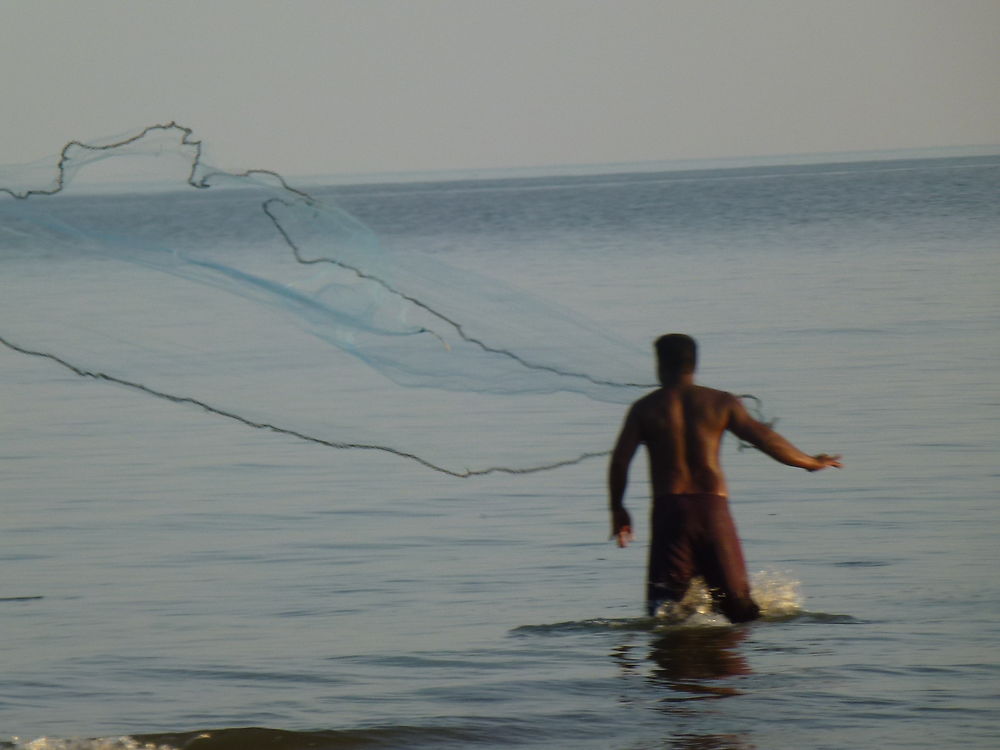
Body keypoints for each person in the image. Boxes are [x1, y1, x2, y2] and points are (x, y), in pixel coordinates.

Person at [608, 334, 841, 622]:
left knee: (665, 614)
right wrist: (810, 463)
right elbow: (766, 440)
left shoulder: (644, 409)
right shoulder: (721, 402)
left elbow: (620, 462)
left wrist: (617, 508)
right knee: (740, 609)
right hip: (712, 510)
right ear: (694, 364)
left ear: (659, 364)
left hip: (670, 512)